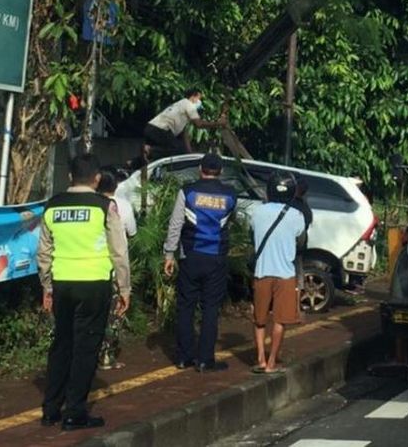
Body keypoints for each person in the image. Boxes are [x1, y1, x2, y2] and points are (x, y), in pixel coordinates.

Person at [37, 154, 131, 431]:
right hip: (94, 285)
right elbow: (119, 251)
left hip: (62, 284)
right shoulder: (105, 206)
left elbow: (44, 252)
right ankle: (74, 412)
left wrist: (47, 287)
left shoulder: (53, 206)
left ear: (69, 177)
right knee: (86, 349)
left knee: (61, 346)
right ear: (97, 178)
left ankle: (51, 409)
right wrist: (124, 288)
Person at [163, 153, 237, 372]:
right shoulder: (230, 196)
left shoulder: (187, 192)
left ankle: (184, 357)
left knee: (185, 306)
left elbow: (175, 225)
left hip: (190, 257)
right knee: (210, 308)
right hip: (216, 257)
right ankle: (205, 359)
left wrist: (169, 254)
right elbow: (229, 224)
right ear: (221, 171)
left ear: (199, 169)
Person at [250, 171, 305, 374]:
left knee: (259, 319)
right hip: (286, 274)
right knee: (280, 320)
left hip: (262, 271)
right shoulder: (296, 216)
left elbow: (252, 234)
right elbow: (300, 239)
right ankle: (272, 361)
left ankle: (260, 359)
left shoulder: (257, 212)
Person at [96, 166, 137, 371]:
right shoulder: (123, 206)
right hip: (114, 266)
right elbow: (131, 232)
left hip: (90, 265)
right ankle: (107, 355)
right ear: (116, 185)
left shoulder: (90, 204)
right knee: (115, 312)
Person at [129, 89, 226, 169]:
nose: (199, 102)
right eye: (199, 98)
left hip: (151, 128)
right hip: (160, 130)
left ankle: (132, 163)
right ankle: (150, 150)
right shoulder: (188, 104)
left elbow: (185, 134)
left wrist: (189, 153)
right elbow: (199, 124)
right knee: (177, 150)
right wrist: (218, 123)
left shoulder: (180, 107)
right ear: (193, 96)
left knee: (153, 156)